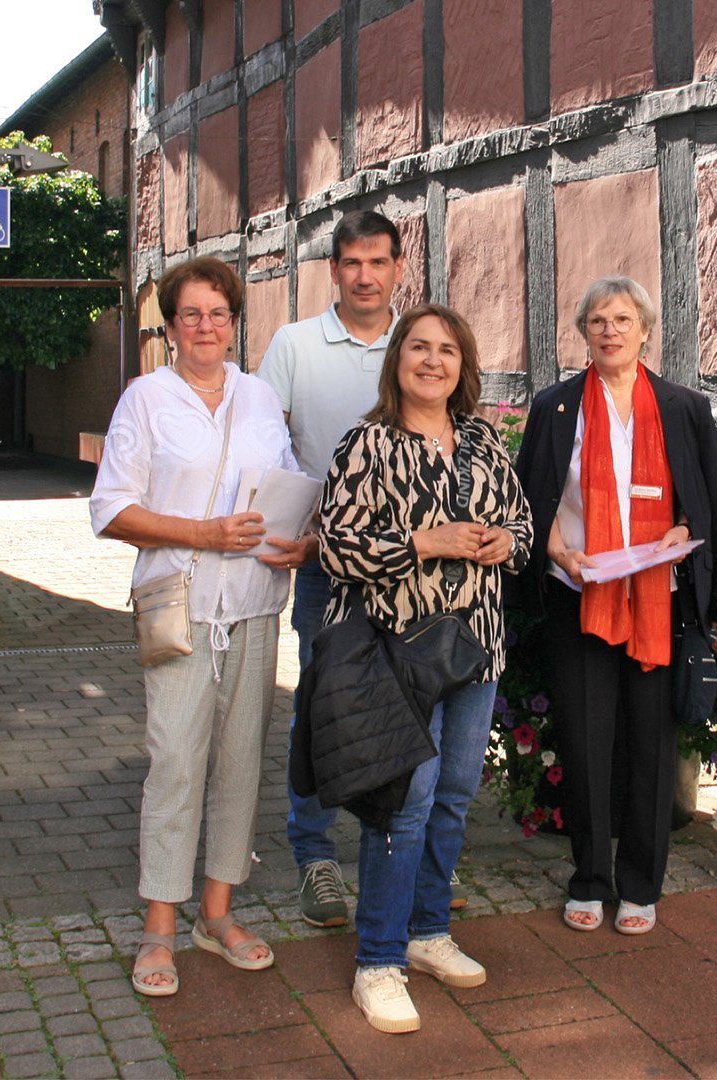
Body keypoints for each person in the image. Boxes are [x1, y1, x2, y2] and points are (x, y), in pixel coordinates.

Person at [90, 256, 306, 995]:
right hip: (181, 606)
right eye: (192, 314)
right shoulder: (146, 400)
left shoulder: (259, 397)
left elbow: (284, 485)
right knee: (176, 761)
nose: (206, 327)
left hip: (254, 604)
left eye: (218, 314)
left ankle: (217, 914)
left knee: (241, 761)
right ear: (172, 326)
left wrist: (299, 539)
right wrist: (202, 534)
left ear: (235, 323)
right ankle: (159, 926)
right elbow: (112, 509)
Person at [317, 304, 532, 1033]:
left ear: (462, 366)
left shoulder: (482, 440)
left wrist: (506, 542)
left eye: (447, 350)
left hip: (477, 647)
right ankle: (378, 960)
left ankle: (427, 929)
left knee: (455, 793)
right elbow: (336, 549)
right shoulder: (367, 443)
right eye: (419, 347)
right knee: (405, 800)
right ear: (398, 360)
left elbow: (523, 524)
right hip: (395, 654)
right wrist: (424, 542)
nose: (433, 360)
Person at [516, 276, 717, 937]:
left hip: (657, 599)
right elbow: (528, 499)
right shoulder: (555, 407)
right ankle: (589, 878)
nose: (610, 331)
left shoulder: (683, 407)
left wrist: (684, 530)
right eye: (597, 321)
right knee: (584, 745)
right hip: (578, 594)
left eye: (622, 320)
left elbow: (709, 508)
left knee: (651, 746)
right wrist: (554, 549)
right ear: (583, 333)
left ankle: (640, 885)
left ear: (645, 331)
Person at [259, 209, 442, 929]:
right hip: (326, 565)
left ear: (399, 267)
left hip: (420, 572)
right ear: (333, 270)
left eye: (378, 262)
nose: (365, 276)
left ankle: (396, 858)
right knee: (324, 706)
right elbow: (265, 444)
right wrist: (299, 530)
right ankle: (314, 856)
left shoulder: (420, 341)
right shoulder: (294, 345)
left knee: (409, 708)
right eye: (352, 263)